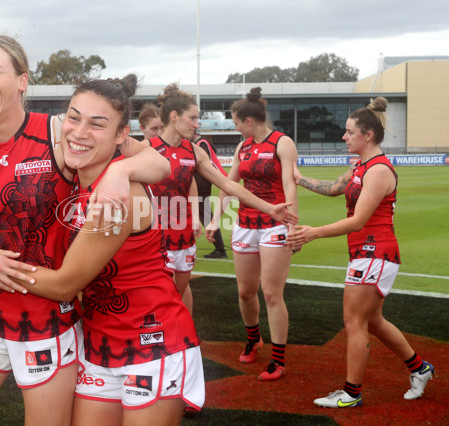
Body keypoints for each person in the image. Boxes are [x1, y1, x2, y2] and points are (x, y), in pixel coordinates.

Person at [0, 34, 169, 425]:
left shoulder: (60, 132)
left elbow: (157, 162)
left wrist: (121, 168)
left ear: (21, 80)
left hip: (50, 322)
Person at [0, 74, 205, 425]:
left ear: (121, 136)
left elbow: (65, 285)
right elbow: (159, 162)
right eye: (74, 118)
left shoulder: (116, 198)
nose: (79, 133)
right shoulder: (74, 174)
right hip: (97, 345)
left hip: (153, 344)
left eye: (97, 124)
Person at [286, 97, 435, 407]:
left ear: (368, 134)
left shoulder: (378, 170)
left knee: (354, 322)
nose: (344, 137)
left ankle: (351, 393)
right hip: (367, 253)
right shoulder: (361, 166)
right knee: (374, 321)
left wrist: (314, 233)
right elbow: (334, 188)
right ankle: (420, 368)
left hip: (375, 251)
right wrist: (300, 179)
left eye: (349, 132)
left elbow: (358, 220)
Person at [146, 83, 298, 317]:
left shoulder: (196, 152)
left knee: (180, 290)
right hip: (151, 235)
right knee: (157, 295)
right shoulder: (145, 149)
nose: (197, 124)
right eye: (193, 118)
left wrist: (270, 209)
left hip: (182, 233)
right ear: (174, 116)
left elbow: (228, 185)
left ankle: (185, 340)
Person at [207, 87, 298, 381]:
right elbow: (227, 184)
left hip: (275, 224)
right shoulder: (242, 147)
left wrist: (293, 225)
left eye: (235, 122)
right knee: (246, 292)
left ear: (248, 120)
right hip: (245, 225)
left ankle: (278, 359)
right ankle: (253, 338)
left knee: (271, 293)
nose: (234, 127)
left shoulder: (282, 143)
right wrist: (214, 219)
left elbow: (289, 184)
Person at [191, 129, 228, 259]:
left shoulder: (202, 143)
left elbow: (203, 162)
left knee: (205, 216)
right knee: (203, 216)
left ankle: (220, 248)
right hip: (199, 185)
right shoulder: (200, 143)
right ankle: (219, 248)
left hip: (201, 186)